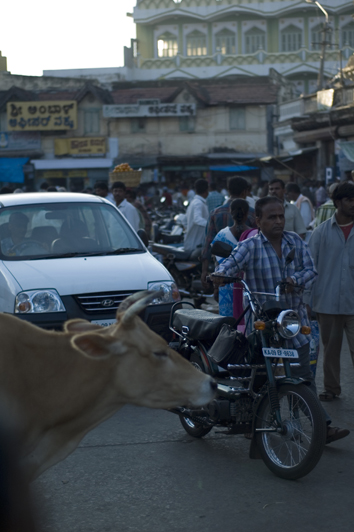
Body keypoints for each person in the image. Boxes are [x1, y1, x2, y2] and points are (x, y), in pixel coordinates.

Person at [211, 195, 350, 444]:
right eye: (272, 217)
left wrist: (294, 280)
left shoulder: (294, 241)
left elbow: (311, 270)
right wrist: (219, 275)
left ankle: (322, 427)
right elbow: (230, 263)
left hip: (293, 325)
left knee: (304, 378)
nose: (278, 221)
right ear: (258, 220)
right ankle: (253, 423)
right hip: (263, 327)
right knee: (260, 379)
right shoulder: (250, 246)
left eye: (281, 216)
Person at [308, 182, 354, 403]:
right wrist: (307, 301)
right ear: (337, 202)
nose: (353, 204)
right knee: (331, 351)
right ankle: (331, 388)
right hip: (326, 302)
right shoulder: (321, 232)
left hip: (353, 302)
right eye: (349, 200)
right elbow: (310, 268)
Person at [201, 176, 257, 285]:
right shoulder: (253, 214)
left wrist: (204, 271)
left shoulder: (215, 213)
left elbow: (208, 244)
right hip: (247, 273)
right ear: (245, 192)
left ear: (228, 190)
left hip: (222, 273)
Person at [211, 199, 250, 317]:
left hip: (226, 288)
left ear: (230, 212)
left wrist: (216, 288)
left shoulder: (221, 235)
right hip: (248, 286)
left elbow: (217, 264)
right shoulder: (254, 235)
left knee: (229, 325)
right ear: (247, 213)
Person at [184, 179, 209, 254]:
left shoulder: (195, 202)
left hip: (192, 242)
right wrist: (210, 224)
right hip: (195, 245)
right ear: (206, 190)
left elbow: (184, 220)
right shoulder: (198, 203)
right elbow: (197, 219)